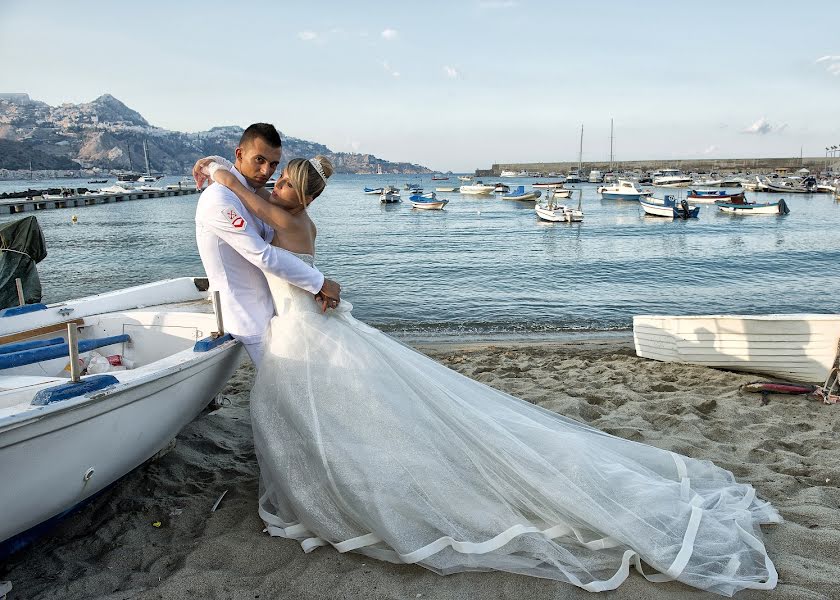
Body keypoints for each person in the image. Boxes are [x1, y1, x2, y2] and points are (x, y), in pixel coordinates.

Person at [196, 154, 781, 596]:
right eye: (270, 178)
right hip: (303, 323)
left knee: (327, 407)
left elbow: (243, 201)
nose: (270, 185)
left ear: (298, 192)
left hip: (302, 326)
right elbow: (251, 202)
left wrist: (220, 169)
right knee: (345, 407)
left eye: (281, 181)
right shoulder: (287, 212)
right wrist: (233, 176)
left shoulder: (286, 216)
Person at [194, 123, 340, 364]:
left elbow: (243, 189)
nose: (267, 172)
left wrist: (215, 167)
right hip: (249, 315)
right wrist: (319, 282)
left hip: (280, 312)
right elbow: (261, 254)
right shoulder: (220, 199)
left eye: (273, 165)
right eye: (259, 160)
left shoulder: (264, 199)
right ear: (240, 154)